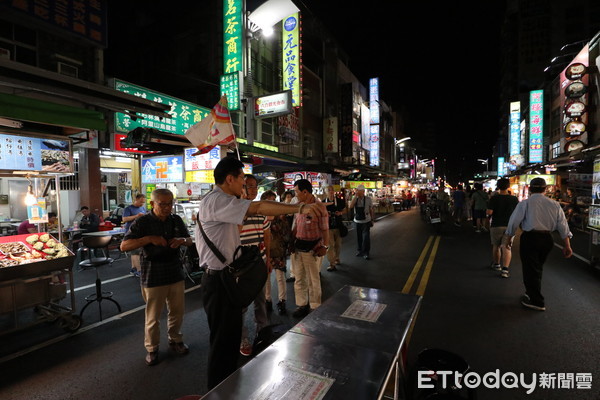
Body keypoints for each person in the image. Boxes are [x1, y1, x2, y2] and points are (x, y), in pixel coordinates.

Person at [195, 157, 328, 390]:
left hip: (225, 279)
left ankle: (227, 388)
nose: (244, 187)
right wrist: (300, 207)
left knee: (229, 339)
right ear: (230, 179)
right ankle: (217, 392)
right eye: (241, 181)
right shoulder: (216, 200)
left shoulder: (222, 201)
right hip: (218, 281)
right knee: (222, 345)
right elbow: (257, 207)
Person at [120, 189, 193, 366]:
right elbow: (124, 246)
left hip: (175, 272)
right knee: (153, 316)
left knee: (177, 312)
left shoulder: (176, 220)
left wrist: (182, 241)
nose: (168, 207)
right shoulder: (142, 221)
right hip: (153, 274)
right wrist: (149, 239)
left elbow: (189, 239)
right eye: (163, 204)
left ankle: (175, 339)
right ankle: (152, 348)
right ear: (153, 204)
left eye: (170, 203)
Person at [505, 178, 573, 311]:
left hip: (530, 238)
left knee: (531, 269)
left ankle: (537, 301)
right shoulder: (554, 204)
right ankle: (531, 292)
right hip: (547, 239)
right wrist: (567, 245)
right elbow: (563, 226)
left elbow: (513, 222)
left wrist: (509, 238)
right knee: (537, 268)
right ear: (545, 189)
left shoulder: (525, 204)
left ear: (530, 189)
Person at [238, 175, 270, 357]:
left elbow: (267, 236)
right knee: (241, 304)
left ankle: (263, 331)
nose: (253, 190)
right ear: (241, 188)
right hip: (241, 266)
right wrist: (244, 211)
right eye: (248, 186)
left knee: (260, 301)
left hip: (259, 262)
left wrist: (269, 260)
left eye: (254, 186)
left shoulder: (261, 210)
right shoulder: (235, 210)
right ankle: (242, 337)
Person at [291, 179, 329, 318]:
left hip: (313, 248)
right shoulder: (299, 206)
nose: (295, 194)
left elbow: (325, 230)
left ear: (305, 192)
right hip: (299, 246)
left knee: (313, 279)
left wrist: (325, 246)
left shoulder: (319, 207)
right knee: (299, 277)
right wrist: (291, 240)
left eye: (296, 192)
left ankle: (315, 306)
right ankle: (302, 304)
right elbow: (297, 225)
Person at [264, 190, 292, 315]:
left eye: (274, 200)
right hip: (266, 251)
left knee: (280, 277)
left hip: (279, 250)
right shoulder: (261, 216)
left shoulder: (281, 216)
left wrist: (281, 220)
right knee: (267, 278)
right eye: (270, 200)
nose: (273, 203)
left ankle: (282, 301)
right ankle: (267, 300)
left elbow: (286, 233)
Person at [486, 178, 519, 278]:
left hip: (496, 225)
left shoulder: (494, 198)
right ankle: (505, 270)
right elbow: (517, 213)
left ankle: (497, 265)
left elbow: (489, 212)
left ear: (498, 186)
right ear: (508, 186)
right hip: (510, 226)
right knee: (507, 247)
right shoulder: (514, 199)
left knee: (496, 246)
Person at [122, 194, 147, 277]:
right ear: (136, 199)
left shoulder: (142, 208)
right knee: (136, 252)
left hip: (140, 232)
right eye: (140, 202)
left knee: (135, 252)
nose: (142, 204)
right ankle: (139, 270)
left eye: (143, 202)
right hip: (131, 233)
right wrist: (136, 216)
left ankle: (133, 268)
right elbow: (124, 219)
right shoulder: (128, 209)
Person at [323, 185, 346, 271]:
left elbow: (345, 210)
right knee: (330, 246)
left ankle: (337, 257)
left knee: (338, 245)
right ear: (325, 192)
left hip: (338, 226)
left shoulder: (339, 201)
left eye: (331, 190)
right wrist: (326, 214)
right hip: (328, 227)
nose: (330, 191)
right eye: (328, 190)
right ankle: (331, 263)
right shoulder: (323, 203)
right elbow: (321, 214)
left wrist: (340, 213)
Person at [349, 185, 374, 259]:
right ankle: (360, 251)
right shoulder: (355, 199)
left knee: (366, 237)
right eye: (357, 191)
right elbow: (350, 206)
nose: (358, 192)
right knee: (359, 237)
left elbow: (371, 209)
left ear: (363, 191)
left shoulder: (368, 199)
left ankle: (366, 252)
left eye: (359, 191)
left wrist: (372, 219)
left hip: (366, 221)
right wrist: (355, 197)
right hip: (357, 221)